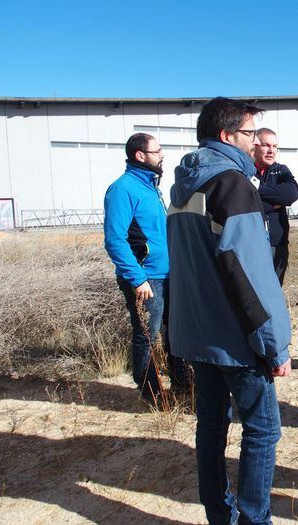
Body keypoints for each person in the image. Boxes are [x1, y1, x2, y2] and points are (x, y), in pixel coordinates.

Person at [167, 97, 292, 525]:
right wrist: (274, 345)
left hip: (196, 333)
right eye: (250, 134)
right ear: (226, 136)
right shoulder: (232, 184)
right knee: (263, 430)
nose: (256, 142)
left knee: (211, 429)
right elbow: (251, 275)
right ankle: (255, 520)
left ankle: (220, 516)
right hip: (234, 339)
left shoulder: (184, 184)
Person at [103, 133, 190, 402]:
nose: (162, 155)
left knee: (175, 330)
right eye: (158, 151)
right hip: (146, 278)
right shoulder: (123, 189)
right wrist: (137, 277)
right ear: (140, 155)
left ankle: (181, 381)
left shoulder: (152, 187)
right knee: (146, 335)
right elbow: (114, 239)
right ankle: (150, 390)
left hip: (167, 274)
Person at [253, 128, 298, 284]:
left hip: (277, 244)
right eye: (266, 145)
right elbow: (245, 202)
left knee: (275, 291)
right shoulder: (246, 171)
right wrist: (273, 204)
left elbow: (291, 194)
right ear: (255, 145)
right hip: (253, 244)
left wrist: (257, 190)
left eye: (275, 146)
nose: (271, 151)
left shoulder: (281, 170)